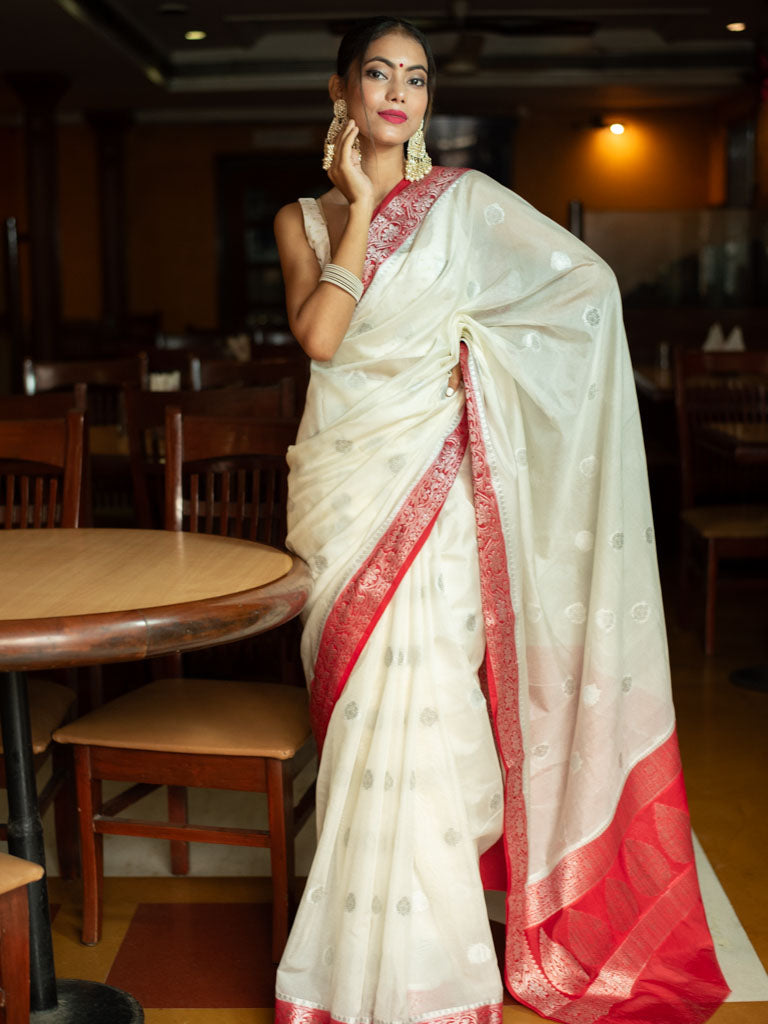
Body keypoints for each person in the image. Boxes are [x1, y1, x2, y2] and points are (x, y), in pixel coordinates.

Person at [273, 16, 728, 1024]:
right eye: (379, 74)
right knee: (357, 731)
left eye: (417, 79)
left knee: (427, 717)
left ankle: (431, 974)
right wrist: (355, 209)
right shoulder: (301, 218)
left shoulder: (466, 207)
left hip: (432, 502)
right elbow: (322, 338)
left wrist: (491, 381)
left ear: (428, 100)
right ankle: (351, 961)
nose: (399, 93)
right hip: (344, 499)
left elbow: (586, 288)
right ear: (343, 89)